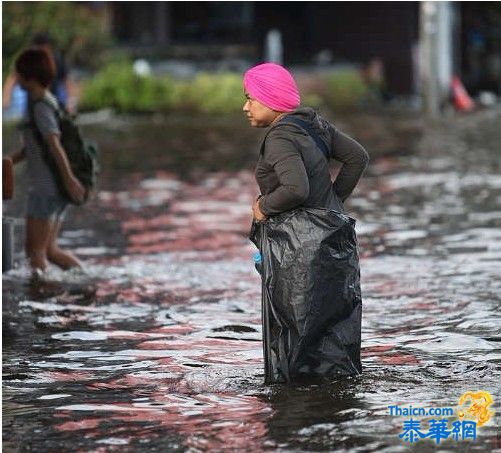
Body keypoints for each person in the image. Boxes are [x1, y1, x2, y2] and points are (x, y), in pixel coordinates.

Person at [243, 62, 369, 383]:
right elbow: (357, 158)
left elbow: (295, 189)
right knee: (335, 341)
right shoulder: (316, 125)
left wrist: (263, 208)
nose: (245, 106)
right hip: (336, 244)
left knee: (293, 349)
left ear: (271, 101)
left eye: (251, 98)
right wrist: (333, 204)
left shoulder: (279, 138)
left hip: (299, 253)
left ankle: (297, 418)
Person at [7, 47, 84, 276]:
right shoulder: (44, 103)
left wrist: (70, 180)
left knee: (35, 252)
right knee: (50, 250)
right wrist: (9, 160)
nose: (16, 78)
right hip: (55, 190)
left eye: (19, 74)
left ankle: (41, 298)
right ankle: (84, 278)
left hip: (45, 190)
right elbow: (32, 148)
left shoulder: (40, 106)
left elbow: (54, 144)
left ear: (29, 77)